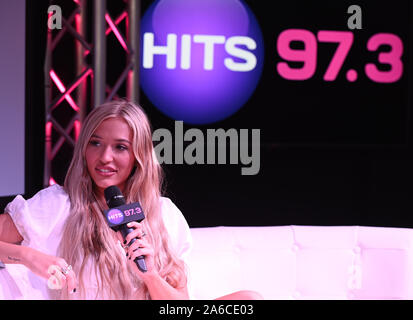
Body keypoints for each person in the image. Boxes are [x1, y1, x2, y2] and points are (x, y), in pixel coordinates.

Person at [0, 99, 262, 300]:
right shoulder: (58, 204)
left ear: (139, 155)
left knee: (250, 300)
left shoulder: (164, 213)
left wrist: (150, 277)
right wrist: (27, 256)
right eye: (96, 143)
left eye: (120, 147)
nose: (105, 157)